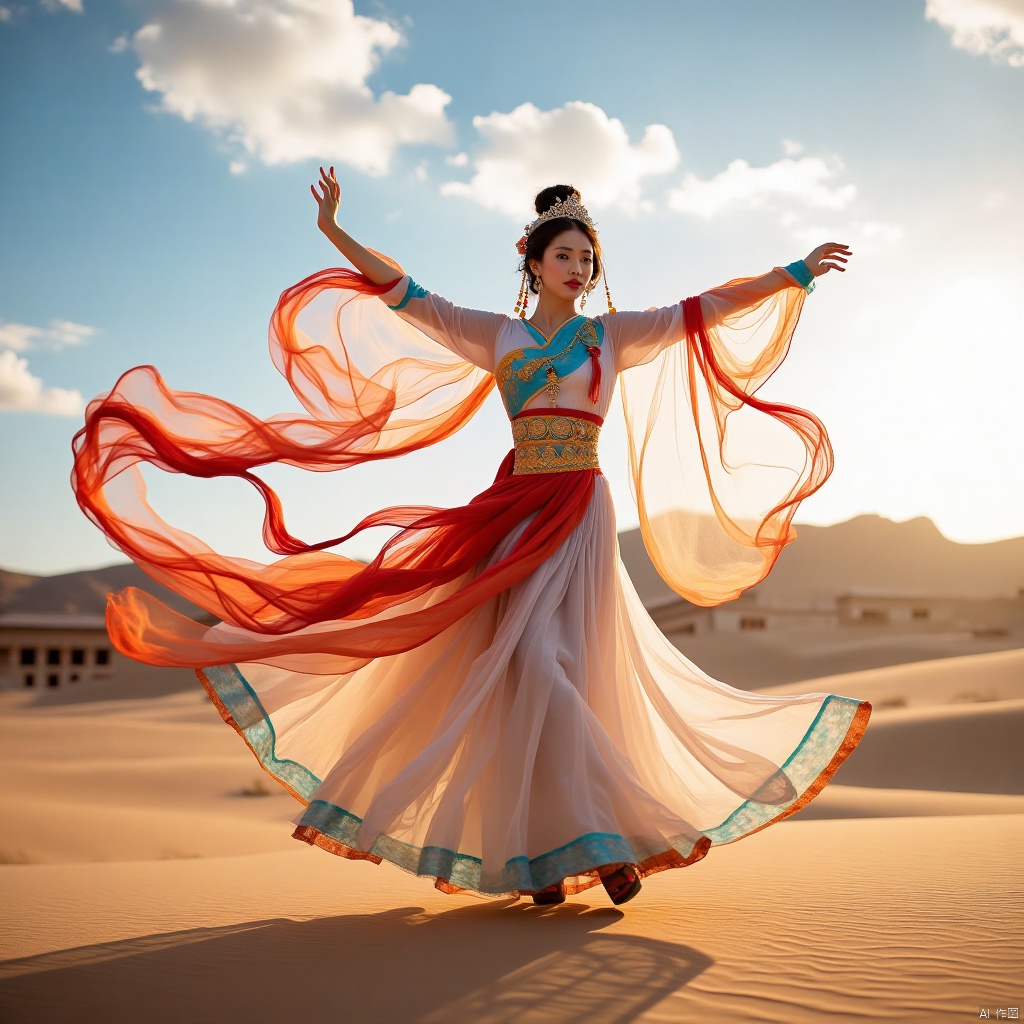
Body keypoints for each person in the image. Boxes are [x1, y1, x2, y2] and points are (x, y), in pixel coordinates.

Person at [71, 171, 870, 909]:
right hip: (515, 509)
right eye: (565, 255)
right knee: (529, 670)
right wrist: (335, 232)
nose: (579, 268)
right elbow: (405, 295)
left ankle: (576, 849)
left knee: (567, 671)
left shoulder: (613, 336)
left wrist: (790, 273)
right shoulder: (496, 337)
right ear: (533, 263)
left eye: (588, 258)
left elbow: (706, 308)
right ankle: (568, 850)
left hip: (580, 509)